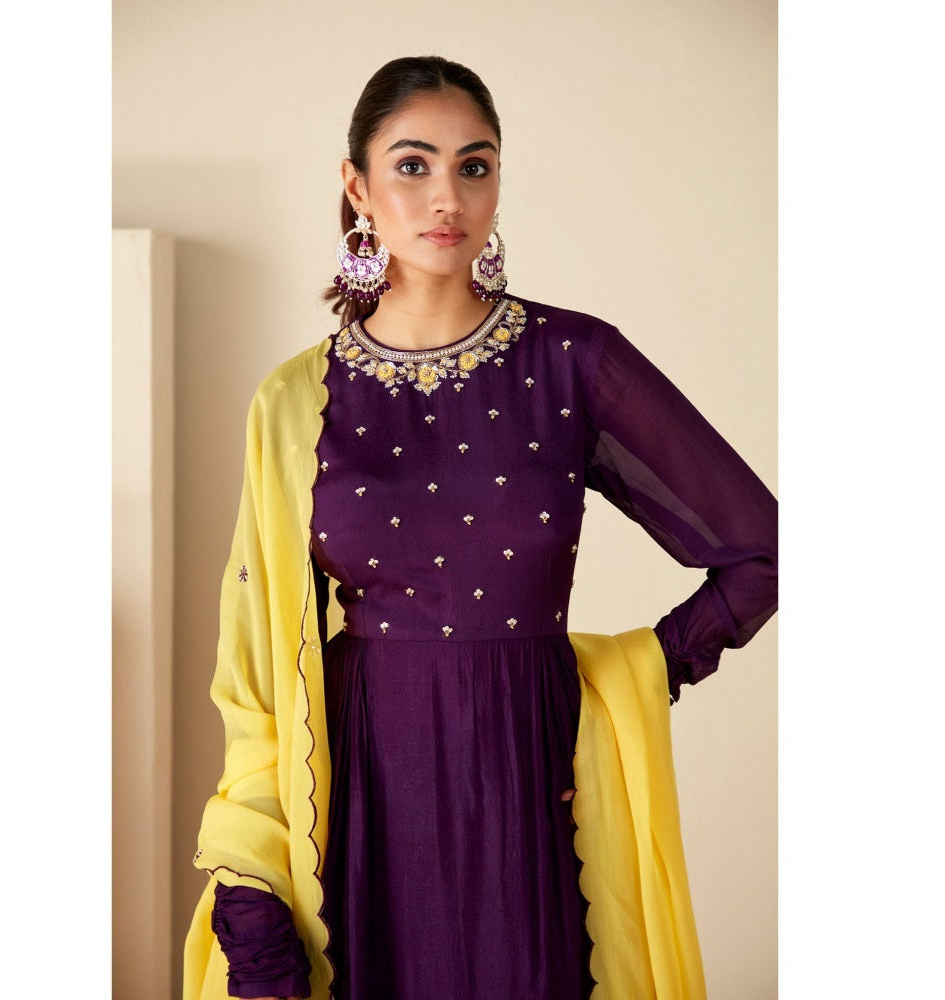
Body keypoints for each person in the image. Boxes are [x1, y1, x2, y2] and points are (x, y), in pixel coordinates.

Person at [183, 55, 777, 1000]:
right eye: (412, 165)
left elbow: (761, 549)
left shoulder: (574, 361)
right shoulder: (294, 401)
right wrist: (252, 890)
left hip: (531, 788)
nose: (446, 196)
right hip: (361, 798)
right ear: (357, 187)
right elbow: (256, 669)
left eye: (475, 165)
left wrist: (624, 688)